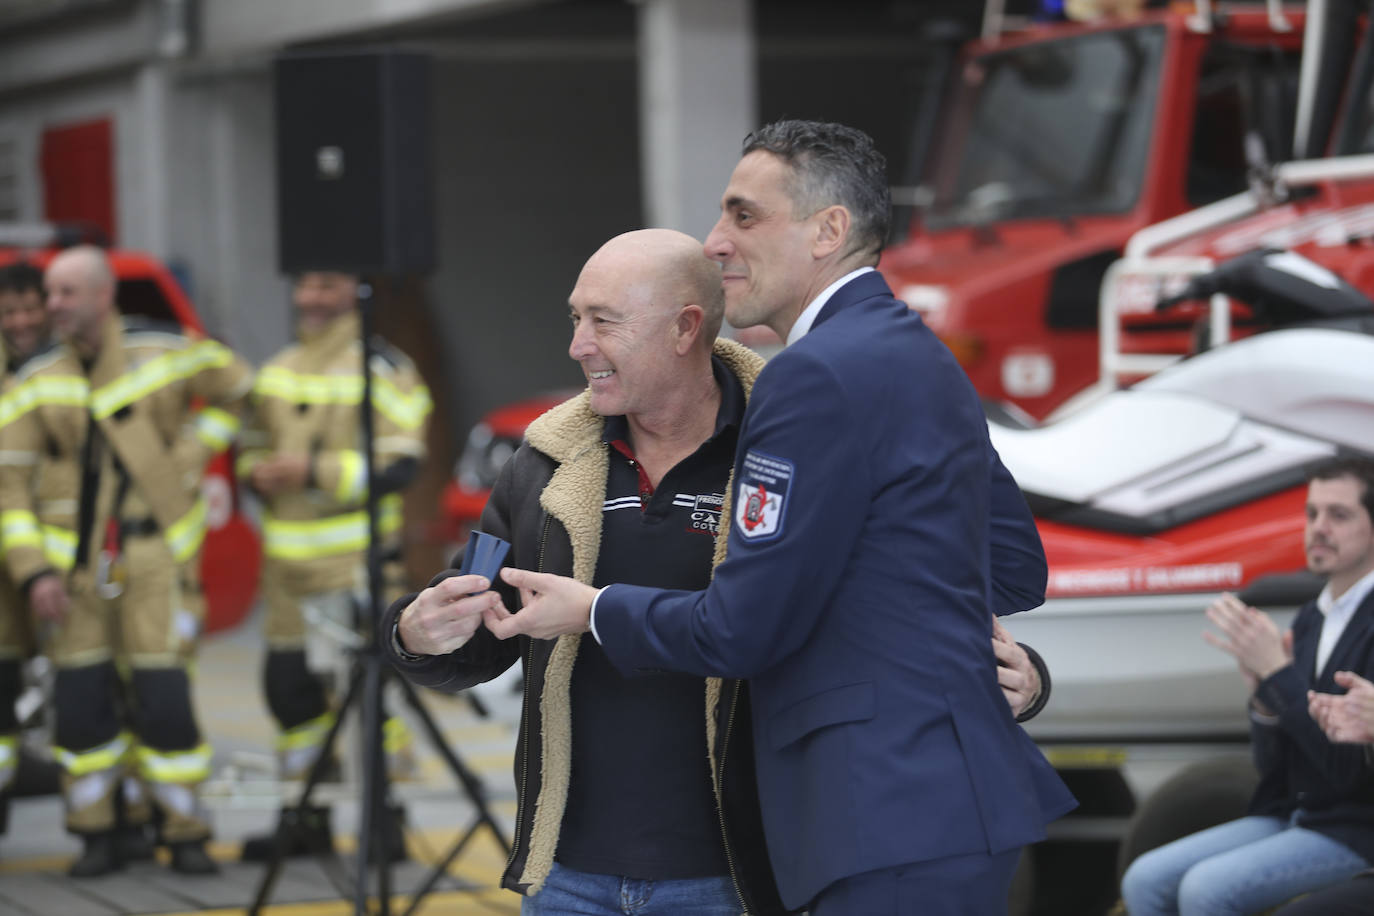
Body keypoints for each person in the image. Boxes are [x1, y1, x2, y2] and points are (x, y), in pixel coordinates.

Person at [476, 121, 1077, 915]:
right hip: (946, 806)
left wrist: (593, 610)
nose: (717, 241)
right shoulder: (916, 351)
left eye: (745, 216)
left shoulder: (812, 377)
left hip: (875, 816)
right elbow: (1008, 565)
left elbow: (741, 631)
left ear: (829, 231)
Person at [0, 245, 254, 876]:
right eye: (47, 295)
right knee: (83, 704)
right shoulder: (37, 380)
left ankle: (184, 831)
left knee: (163, 696)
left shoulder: (168, 350)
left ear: (102, 296)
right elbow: (9, 489)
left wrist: (194, 451)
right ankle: (98, 832)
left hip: (154, 560)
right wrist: (33, 571)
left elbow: (241, 393)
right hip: (73, 577)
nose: (48, 307)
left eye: (62, 294)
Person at [1120, 456, 1374, 916]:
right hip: (1298, 816)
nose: (1318, 528)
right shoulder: (1311, 617)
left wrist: (1279, 675)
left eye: (1338, 515)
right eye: (1311, 513)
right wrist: (1266, 704)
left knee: (1206, 889)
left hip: (1357, 831)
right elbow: (1277, 771)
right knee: (1144, 878)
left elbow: (1347, 771)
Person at [235, 271, 431, 862]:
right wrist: (254, 473)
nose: (311, 298)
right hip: (288, 575)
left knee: (371, 701)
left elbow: (403, 464)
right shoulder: (277, 368)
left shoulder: (384, 368)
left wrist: (314, 473)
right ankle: (306, 817)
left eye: (327, 286)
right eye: (305, 286)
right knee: (290, 698)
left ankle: (385, 819)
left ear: (357, 292)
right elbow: (249, 441)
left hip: (353, 568)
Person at [0, 260, 52, 839]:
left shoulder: (70, 369)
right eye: (8, 312)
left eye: (28, 308)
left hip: (66, 561)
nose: (20, 321)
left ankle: (119, 825)